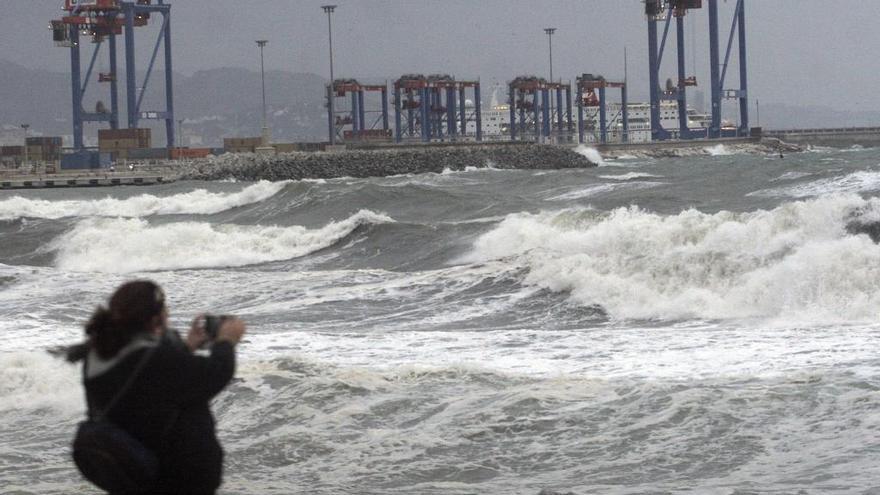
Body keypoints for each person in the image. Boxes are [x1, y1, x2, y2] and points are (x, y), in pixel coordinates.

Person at [68, 280, 245, 494]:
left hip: (138, 475)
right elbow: (215, 374)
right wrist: (226, 341)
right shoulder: (154, 361)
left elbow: (153, 384)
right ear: (155, 319)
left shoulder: (99, 356)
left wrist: (186, 346)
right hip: (172, 479)